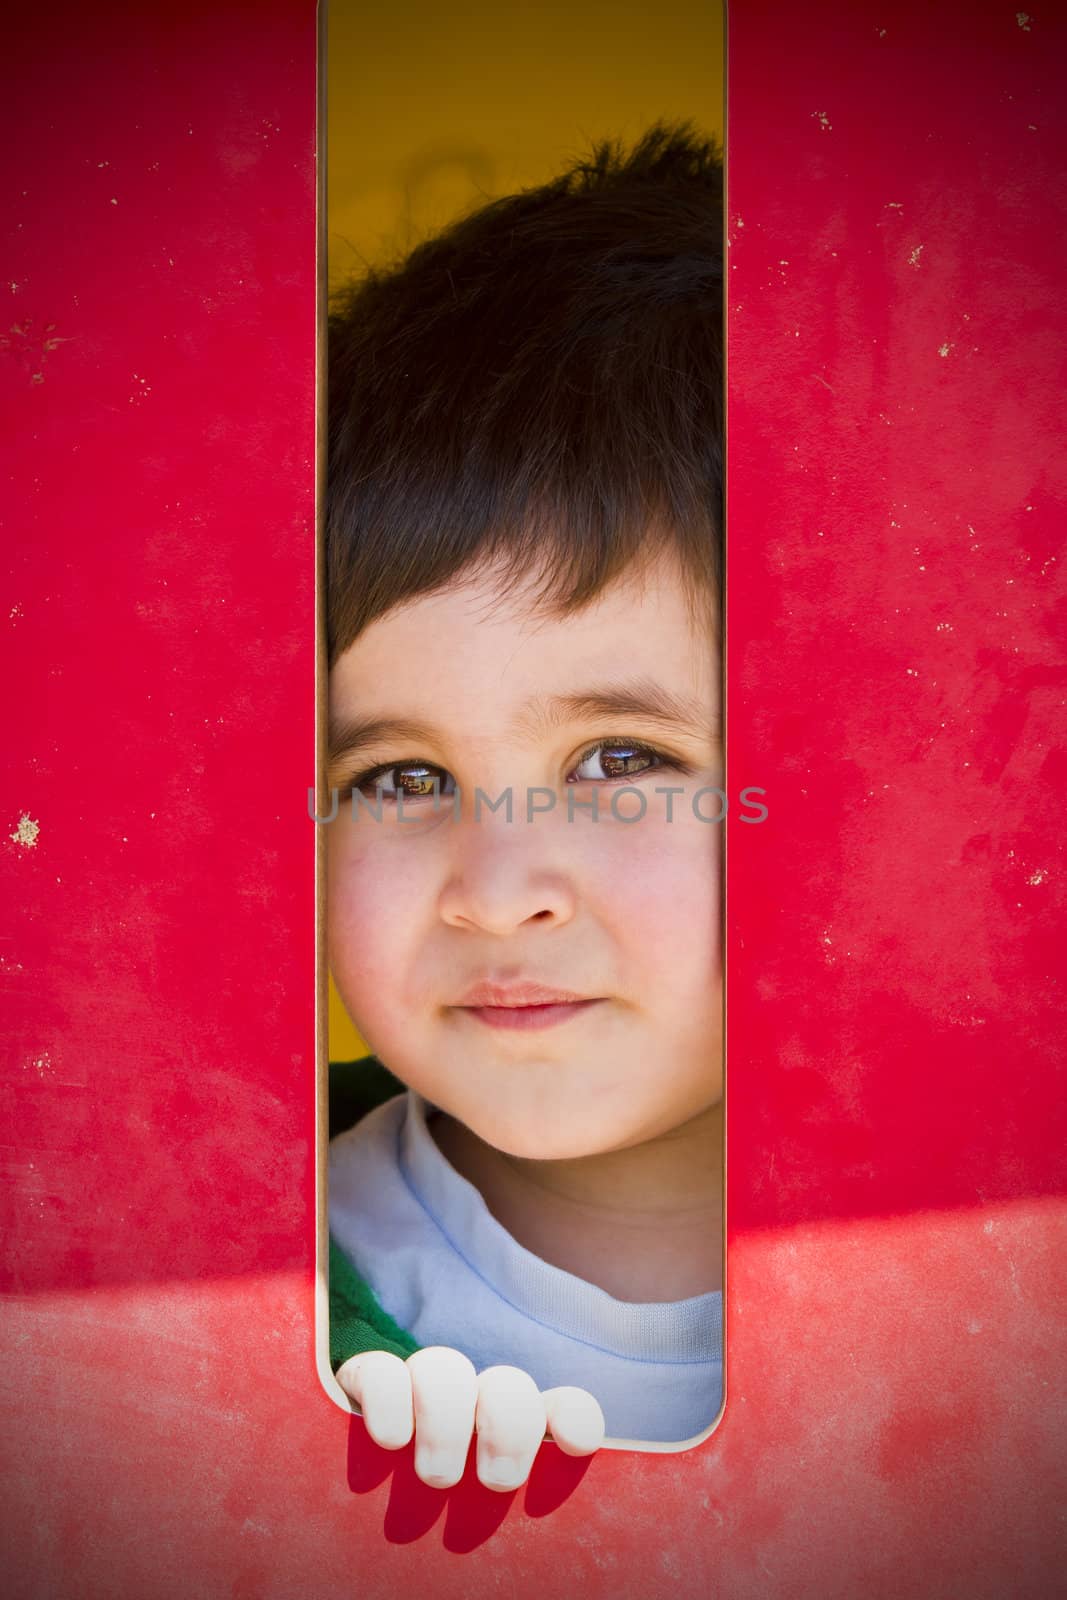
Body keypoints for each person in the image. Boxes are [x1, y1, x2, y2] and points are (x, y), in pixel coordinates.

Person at [324, 119, 724, 1494]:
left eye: (621, 759)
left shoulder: (1020, 1229)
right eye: (401, 777)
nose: (496, 891)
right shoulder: (224, 1258)